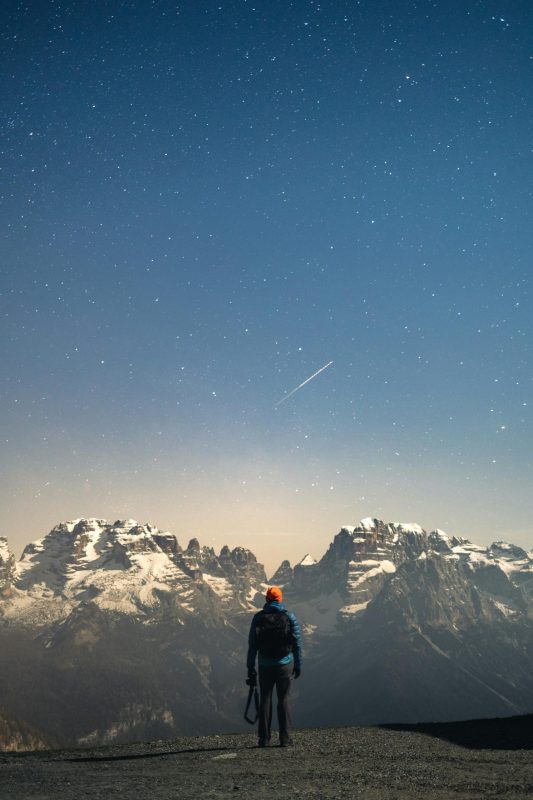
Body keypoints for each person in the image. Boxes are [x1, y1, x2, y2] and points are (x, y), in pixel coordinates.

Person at [247, 585, 302, 747]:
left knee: (265, 699)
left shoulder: (258, 618)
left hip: (265, 665)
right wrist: (298, 664)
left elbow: (252, 645)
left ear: (266, 599)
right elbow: (297, 643)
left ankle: (264, 738)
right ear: (280, 599)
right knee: (283, 700)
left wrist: (250, 667)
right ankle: (285, 739)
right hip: (285, 664)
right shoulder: (289, 617)